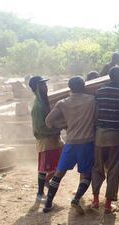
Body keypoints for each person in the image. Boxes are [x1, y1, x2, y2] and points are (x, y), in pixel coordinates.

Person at [42, 76, 96, 213]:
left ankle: (48, 203)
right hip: (87, 142)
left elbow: (48, 122)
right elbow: (96, 118)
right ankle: (76, 199)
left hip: (70, 142)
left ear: (70, 88)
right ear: (83, 86)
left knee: (59, 173)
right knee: (86, 174)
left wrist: (64, 125)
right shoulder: (91, 100)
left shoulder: (62, 103)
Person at [91, 66, 119, 213]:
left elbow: (95, 112)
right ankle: (108, 205)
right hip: (115, 136)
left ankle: (95, 200)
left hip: (99, 136)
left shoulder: (100, 91)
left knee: (97, 167)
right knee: (113, 170)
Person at [29, 76, 63, 203]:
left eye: (46, 84)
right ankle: (39, 193)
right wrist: (56, 129)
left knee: (63, 161)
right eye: (43, 85)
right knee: (43, 168)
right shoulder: (37, 106)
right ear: (37, 88)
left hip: (54, 138)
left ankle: (47, 183)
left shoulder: (44, 102)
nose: (46, 87)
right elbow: (39, 128)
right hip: (45, 140)